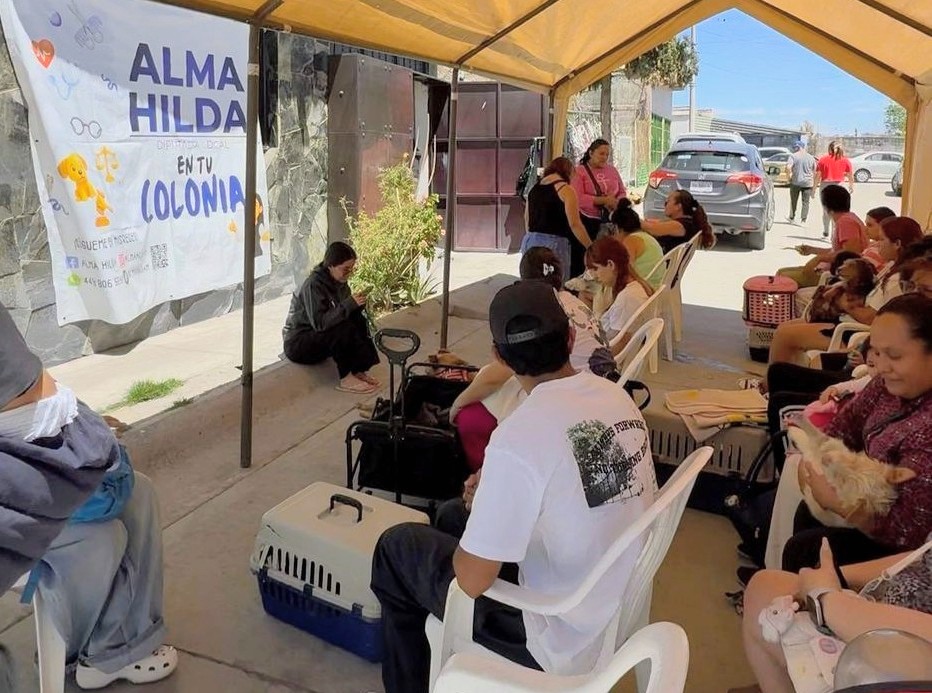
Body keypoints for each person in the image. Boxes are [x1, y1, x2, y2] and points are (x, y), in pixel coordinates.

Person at [370, 280, 657, 693]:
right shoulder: (614, 396)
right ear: (570, 337)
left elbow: (472, 580)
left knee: (396, 548)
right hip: (608, 595)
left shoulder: (520, 434)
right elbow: (582, 484)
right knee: (452, 514)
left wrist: (493, 499)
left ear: (499, 357)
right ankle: (447, 661)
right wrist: (493, 496)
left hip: (551, 634)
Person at [0, 303, 177, 689]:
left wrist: (69, 418)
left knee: (139, 493)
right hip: (19, 485)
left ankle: (117, 644)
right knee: (98, 538)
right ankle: (80, 651)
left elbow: (29, 381)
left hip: (43, 454)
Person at [780, 294, 932, 573]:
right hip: (865, 503)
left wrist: (840, 504)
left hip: (906, 551)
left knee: (804, 548)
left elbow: (910, 533)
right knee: (806, 517)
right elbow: (843, 427)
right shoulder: (887, 386)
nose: (882, 367)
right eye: (877, 353)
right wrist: (819, 463)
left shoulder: (926, 429)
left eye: (895, 356)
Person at [450, 248, 615, 470]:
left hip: (566, 396)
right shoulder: (571, 301)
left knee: (475, 413)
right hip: (598, 386)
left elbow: (499, 374)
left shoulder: (542, 313)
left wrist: (458, 403)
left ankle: (479, 471)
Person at [737, 537, 932, 693]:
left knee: (764, 591)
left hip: (906, 660)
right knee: (769, 584)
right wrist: (836, 576)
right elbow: (925, 556)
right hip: (888, 612)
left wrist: (825, 598)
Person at [282, 241, 380, 394]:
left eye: (351, 269)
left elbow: (343, 312)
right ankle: (346, 378)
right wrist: (348, 305)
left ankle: (358, 370)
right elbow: (320, 323)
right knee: (341, 327)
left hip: (319, 339)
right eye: (345, 269)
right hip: (298, 343)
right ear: (331, 265)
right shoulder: (313, 285)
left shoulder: (340, 283)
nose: (349, 273)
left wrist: (356, 305)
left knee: (358, 320)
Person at [777, 185, 867, 289]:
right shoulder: (847, 218)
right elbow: (839, 251)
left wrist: (819, 258)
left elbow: (851, 253)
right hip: (832, 269)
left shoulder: (846, 222)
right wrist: (813, 250)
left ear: (826, 206)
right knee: (782, 272)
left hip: (838, 274)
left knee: (782, 278)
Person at [523, 156, 592, 281]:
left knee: (532, 281)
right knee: (555, 283)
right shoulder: (566, 190)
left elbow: (526, 218)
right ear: (568, 172)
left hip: (531, 241)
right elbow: (575, 224)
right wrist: (590, 246)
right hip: (554, 243)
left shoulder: (534, 189)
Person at [585, 237, 653, 353]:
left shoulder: (626, 298)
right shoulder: (635, 286)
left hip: (601, 354)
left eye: (595, 269)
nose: (593, 276)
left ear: (610, 264)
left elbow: (619, 343)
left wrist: (598, 313)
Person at [571, 139, 627, 249]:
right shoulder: (579, 171)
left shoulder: (612, 170)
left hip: (611, 219)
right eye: (601, 154)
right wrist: (603, 200)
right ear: (591, 153)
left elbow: (622, 192)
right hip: (588, 222)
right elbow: (578, 198)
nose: (604, 157)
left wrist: (616, 203)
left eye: (607, 155)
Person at [640, 189, 715, 254]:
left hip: (660, 264)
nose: (665, 205)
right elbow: (659, 224)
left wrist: (633, 217)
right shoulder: (687, 222)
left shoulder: (679, 226)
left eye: (667, 202)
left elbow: (651, 229)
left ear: (678, 206)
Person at [611, 199, 664, 290]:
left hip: (646, 288)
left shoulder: (630, 240)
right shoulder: (647, 237)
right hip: (658, 286)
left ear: (617, 228)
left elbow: (626, 271)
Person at [814, 141, 854, 239]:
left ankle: (826, 231)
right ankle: (834, 233)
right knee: (838, 211)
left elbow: (818, 176)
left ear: (829, 148)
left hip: (825, 186)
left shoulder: (823, 160)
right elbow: (850, 175)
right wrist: (851, 185)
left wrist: (814, 188)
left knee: (826, 210)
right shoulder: (845, 160)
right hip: (839, 185)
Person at [786, 141, 816, 225]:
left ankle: (792, 217)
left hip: (796, 182)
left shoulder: (793, 156)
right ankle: (803, 220)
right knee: (805, 202)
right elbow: (814, 171)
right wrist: (813, 182)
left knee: (793, 200)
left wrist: (789, 177)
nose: (794, 149)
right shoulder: (811, 157)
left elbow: (788, 167)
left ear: (798, 147)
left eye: (795, 147)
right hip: (808, 183)